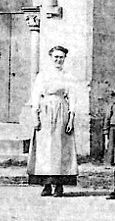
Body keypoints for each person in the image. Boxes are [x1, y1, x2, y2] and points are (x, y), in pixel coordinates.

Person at [27, 45, 79, 197]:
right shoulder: (42, 76)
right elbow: (36, 95)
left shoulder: (68, 77)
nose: (58, 60)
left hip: (61, 111)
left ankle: (59, 185)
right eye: (56, 57)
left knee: (60, 147)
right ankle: (46, 184)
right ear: (51, 58)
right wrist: (35, 116)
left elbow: (73, 99)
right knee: (45, 148)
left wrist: (71, 119)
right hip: (45, 112)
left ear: (64, 59)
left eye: (61, 57)